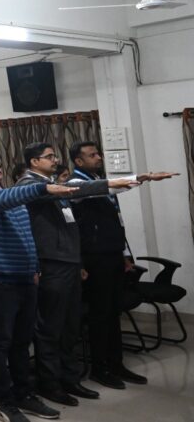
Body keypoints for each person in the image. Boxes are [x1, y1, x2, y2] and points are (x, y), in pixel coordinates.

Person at [16, 143, 138, 405]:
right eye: (49, 156)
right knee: (51, 328)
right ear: (34, 161)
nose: (55, 160)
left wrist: (79, 261)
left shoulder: (52, 184)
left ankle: (70, 379)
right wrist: (118, 182)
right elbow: (79, 189)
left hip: (69, 262)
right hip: (51, 264)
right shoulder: (28, 185)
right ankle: (50, 383)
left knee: (70, 326)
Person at [0, 153, 80, 422]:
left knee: (21, 342)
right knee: (0, 344)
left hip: (25, 278)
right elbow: (7, 198)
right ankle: (3, 401)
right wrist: (43, 188)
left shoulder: (8, 195)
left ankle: (24, 394)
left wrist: (34, 268)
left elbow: (27, 236)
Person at [67, 141, 177, 389]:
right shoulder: (76, 184)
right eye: (92, 155)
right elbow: (106, 188)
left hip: (112, 255)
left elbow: (116, 220)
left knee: (113, 311)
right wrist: (142, 177)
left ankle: (116, 363)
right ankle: (100, 368)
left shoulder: (98, 180)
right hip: (95, 258)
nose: (99, 157)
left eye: (98, 153)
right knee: (100, 314)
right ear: (79, 161)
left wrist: (124, 254)